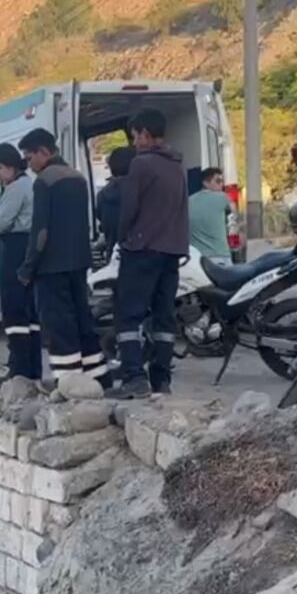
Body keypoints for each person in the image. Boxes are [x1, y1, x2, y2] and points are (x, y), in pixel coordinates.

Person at [17, 129, 109, 386]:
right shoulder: (78, 177)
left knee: (58, 324)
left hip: (51, 267)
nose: (29, 165)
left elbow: (41, 231)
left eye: (29, 158)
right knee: (82, 319)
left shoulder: (45, 181)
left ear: (43, 152)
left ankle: (68, 381)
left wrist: (28, 268)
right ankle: (98, 377)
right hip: (79, 262)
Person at [112, 108, 189, 399]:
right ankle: (162, 380)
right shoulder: (177, 165)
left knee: (128, 315)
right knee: (163, 317)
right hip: (172, 251)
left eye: (135, 136)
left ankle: (134, 377)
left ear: (145, 133)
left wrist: (122, 238)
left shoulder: (141, 165)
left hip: (142, 249)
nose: (134, 142)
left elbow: (129, 209)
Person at [0, 143, 42, 381]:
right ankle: (31, 368)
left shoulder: (16, 188)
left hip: (14, 249)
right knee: (30, 313)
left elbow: (0, 224)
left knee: (13, 309)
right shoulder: (29, 184)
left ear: (9, 166)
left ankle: (18, 369)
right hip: (27, 249)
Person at [188, 168, 233, 263]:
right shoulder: (222, 197)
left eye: (222, 181)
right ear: (205, 183)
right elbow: (235, 214)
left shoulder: (188, 201)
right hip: (220, 255)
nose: (221, 184)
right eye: (218, 181)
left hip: (197, 258)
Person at [97, 145, 133, 250]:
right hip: (137, 255)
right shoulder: (140, 191)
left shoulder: (103, 195)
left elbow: (101, 218)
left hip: (113, 252)